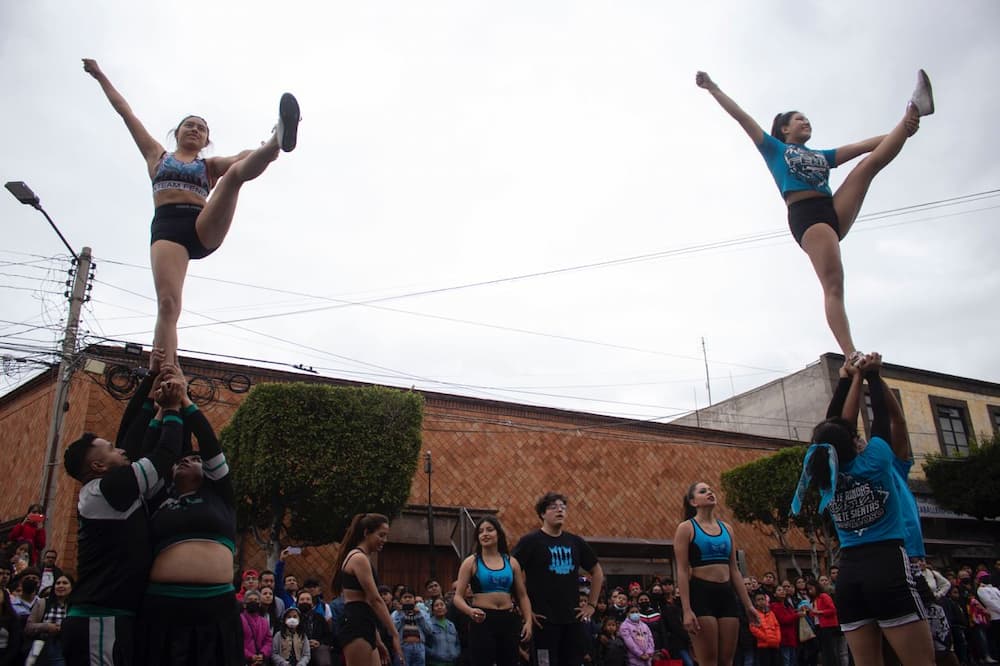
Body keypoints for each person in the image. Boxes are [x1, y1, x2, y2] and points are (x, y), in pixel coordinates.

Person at [694, 70, 933, 361]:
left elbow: (862, 147)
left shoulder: (822, 155)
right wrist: (713, 88)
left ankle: (916, 109)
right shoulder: (774, 149)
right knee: (833, 283)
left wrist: (904, 127)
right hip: (806, 217)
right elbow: (742, 117)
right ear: (784, 129)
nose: (806, 122)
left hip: (831, 209)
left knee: (867, 166)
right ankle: (850, 353)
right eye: (799, 119)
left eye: (807, 119)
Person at [81, 58, 300, 365]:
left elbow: (242, 156)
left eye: (201, 128)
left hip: (201, 225)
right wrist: (101, 75)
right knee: (169, 305)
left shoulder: (208, 166)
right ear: (178, 132)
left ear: (206, 140)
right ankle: (165, 370)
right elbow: (125, 113)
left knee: (235, 174)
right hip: (169, 232)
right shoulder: (157, 156)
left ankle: (279, 139)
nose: (195, 130)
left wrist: (265, 151)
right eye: (190, 125)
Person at [792, 353, 934, 665]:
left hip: (849, 574)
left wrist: (848, 379)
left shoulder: (821, 474)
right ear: (853, 441)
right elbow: (880, 417)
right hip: (888, 564)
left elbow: (832, 426)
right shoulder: (876, 461)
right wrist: (872, 375)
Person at [60, 363, 186, 666]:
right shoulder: (109, 489)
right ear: (98, 467)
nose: (119, 449)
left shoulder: (111, 488)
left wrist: (150, 385)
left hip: (112, 615)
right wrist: (170, 410)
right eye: (109, 449)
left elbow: (133, 442)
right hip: (99, 617)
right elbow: (163, 454)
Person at [137, 366, 242, 664]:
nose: (187, 461)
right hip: (163, 608)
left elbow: (209, 444)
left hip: (217, 610)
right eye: (181, 459)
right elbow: (148, 454)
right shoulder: (159, 495)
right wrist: (161, 411)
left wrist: (184, 401)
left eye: (195, 460)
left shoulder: (219, 494)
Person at [512, 492, 605, 666]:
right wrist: (524, 610)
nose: (559, 510)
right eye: (553, 507)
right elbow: (511, 572)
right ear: (542, 514)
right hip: (543, 622)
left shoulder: (575, 542)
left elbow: (597, 572)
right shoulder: (530, 541)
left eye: (563, 507)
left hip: (572, 620)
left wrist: (592, 605)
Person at [674, 481, 759, 666]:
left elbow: (734, 569)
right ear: (693, 501)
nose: (709, 493)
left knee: (727, 660)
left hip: (726, 594)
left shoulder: (727, 529)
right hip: (701, 594)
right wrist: (687, 610)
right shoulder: (686, 528)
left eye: (711, 490)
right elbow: (681, 570)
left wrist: (748, 605)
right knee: (709, 661)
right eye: (703, 491)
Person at [452, 516, 533, 666]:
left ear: (499, 534)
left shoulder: (512, 562)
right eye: (481, 531)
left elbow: (522, 596)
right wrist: (470, 611)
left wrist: (528, 621)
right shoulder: (471, 562)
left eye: (490, 530)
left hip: (508, 620)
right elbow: (457, 597)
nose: (485, 534)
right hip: (482, 620)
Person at [331, 513, 401, 666]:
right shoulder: (358, 558)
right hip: (356, 626)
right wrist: (394, 633)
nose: (384, 540)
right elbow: (374, 599)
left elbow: (367, 605)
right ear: (366, 533)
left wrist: (378, 640)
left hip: (366, 624)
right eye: (381, 535)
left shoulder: (363, 558)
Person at [25, 573, 73, 665]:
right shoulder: (42, 603)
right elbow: (28, 627)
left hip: (65, 647)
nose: (60, 586)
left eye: (65, 583)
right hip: (42, 646)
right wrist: (46, 626)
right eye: (58, 583)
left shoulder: (75, 606)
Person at [806, 580, 844, 666]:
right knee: (824, 650)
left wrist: (819, 612)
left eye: (811, 588)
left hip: (827, 626)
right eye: (808, 589)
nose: (810, 591)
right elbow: (814, 614)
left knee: (829, 650)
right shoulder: (813, 600)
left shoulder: (823, 596)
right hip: (818, 626)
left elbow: (832, 610)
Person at [425, 598, 460, 666]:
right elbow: (423, 643)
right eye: (436, 605)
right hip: (435, 663)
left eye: (442, 605)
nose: (439, 607)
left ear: (446, 609)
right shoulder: (428, 624)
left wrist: (456, 653)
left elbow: (457, 643)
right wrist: (434, 653)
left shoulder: (451, 625)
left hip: (452, 662)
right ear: (433, 610)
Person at [750, 591, 782, 666]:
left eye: (762, 599)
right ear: (755, 602)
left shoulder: (771, 613)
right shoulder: (754, 614)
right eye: (758, 600)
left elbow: (777, 626)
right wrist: (765, 637)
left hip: (774, 644)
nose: (761, 601)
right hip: (763, 645)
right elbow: (753, 628)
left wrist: (778, 638)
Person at [242, 589, 273, 665]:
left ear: (259, 604)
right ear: (244, 604)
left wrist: (262, 654)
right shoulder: (239, 620)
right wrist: (250, 656)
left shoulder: (264, 621)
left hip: (260, 660)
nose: (253, 602)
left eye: (256, 600)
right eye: (250, 600)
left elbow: (268, 641)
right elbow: (236, 642)